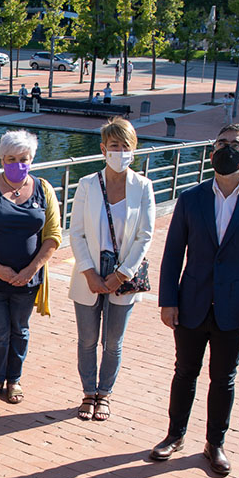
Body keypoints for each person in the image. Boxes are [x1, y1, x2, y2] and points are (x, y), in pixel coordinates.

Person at [151, 124, 239, 475]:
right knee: (184, 373)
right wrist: (168, 300)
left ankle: (215, 443)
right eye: (221, 143)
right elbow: (173, 252)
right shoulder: (191, 198)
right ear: (211, 152)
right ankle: (174, 435)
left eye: (235, 145)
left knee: (223, 378)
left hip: (236, 310)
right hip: (192, 301)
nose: (227, 150)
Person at [68, 118, 155, 421]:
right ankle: (88, 392)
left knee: (113, 342)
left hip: (123, 272)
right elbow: (75, 232)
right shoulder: (87, 185)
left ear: (134, 150)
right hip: (91, 269)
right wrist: (88, 271)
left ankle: (104, 394)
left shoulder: (142, 187)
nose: (119, 151)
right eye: (114, 146)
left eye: (125, 146)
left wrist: (122, 273)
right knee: (87, 339)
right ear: (104, 148)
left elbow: (145, 235)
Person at [0, 130, 61, 405]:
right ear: (1, 159)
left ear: (31, 159)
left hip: (28, 279)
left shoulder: (44, 189)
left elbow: (53, 235)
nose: (17, 164)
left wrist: (31, 270)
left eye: (23, 158)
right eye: (11, 158)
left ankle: (14, 380)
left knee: (20, 330)